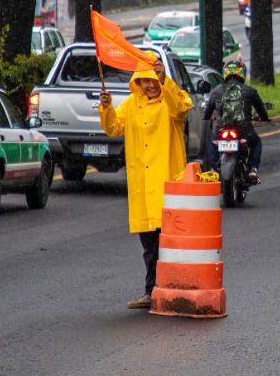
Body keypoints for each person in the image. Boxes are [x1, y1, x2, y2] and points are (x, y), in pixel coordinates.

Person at [98, 62, 193, 309]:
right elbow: (113, 128)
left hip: (168, 182)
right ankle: (152, 291)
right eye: (144, 80)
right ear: (137, 82)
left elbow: (182, 109)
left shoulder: (170, 100)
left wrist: (165, 81)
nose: (149, 85)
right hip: (142, 184)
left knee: (171, 243)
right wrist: (106, 108)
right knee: (149, 246)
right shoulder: (130, 105)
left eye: (152, 79)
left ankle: (174, 291)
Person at [202, 59, 269, 182]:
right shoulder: (250, 91)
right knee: (256, 143)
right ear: (242, 73)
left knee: (212, 143)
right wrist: (264, 118)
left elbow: (207, 112)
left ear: (225, 73)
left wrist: (208, 117)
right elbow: (261, 110)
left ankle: (212, 169)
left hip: (220, 129)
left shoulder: (217, 91)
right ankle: (253, 170)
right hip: (244, 130)